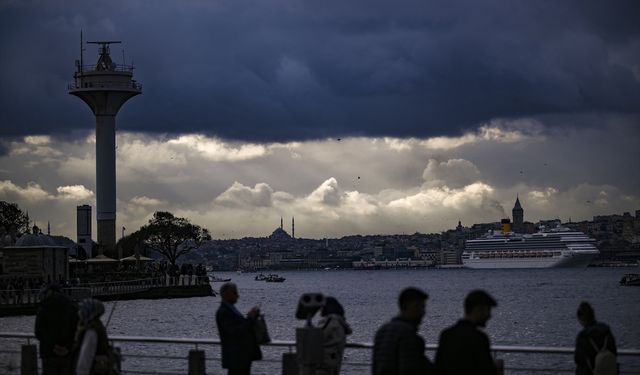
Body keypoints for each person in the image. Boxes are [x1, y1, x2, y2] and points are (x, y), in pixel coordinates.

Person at [435, 289, 503, 375]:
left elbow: (439, 368)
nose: (489, 315)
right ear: (477, 309)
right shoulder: (479, 338)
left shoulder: (446, 334)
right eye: (488, 310)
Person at [372, 287, 433, 375]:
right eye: (420, 306)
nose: (423, 312)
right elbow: (410, 368)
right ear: (409, 306)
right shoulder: (409, 335)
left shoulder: (382, 331)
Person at [216, 282, 262, 375]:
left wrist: (251, 317)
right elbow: (235, 332)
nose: (238, 295)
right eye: (235, 293)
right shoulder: (224, 312)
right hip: (236, 357)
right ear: (227, 294)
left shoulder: (230, 309)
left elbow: (239, 328)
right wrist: (250, 318)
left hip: (240, 357)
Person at [35, 284, 78, 375]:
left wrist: (53, 347)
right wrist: (67, 347)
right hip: (67, 353)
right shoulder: (72, 305)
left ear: (50, 291)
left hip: (48, 353)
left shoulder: (44, 306)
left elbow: (38, 332)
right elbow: (77, 330)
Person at [574, 301, 618, 375]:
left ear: (580, 317)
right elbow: (614, 352)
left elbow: (579, 359)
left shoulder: (583, 336)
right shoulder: (606, 331)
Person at [73, 298, 111, 375]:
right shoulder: (97, 326)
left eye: (81, 310)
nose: (78, 312)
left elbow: (85, 357)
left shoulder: (91, 331)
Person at [316, 297, 352, 375]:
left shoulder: (330, 323)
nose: (320, 310)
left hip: (323, 364)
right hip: (334, 364)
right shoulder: (340, 323)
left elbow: (316, 338)